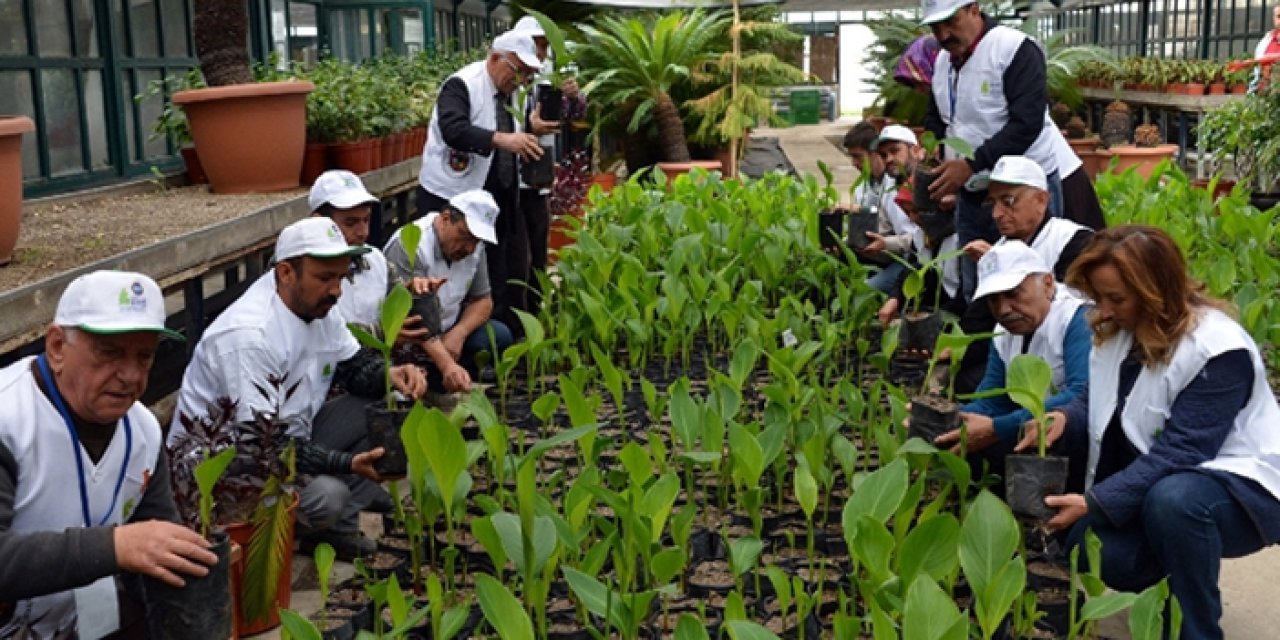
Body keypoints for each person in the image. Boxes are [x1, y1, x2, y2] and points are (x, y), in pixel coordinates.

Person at [1044, 225, 1280, 639]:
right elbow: (1105, 401)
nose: (1104, 310)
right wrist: (1064, 417)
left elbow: (1181, 452)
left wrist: (1095, 502)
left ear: (1157, 291)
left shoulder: (1218, 351)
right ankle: (1175, 578)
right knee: (1087, 544)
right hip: (1166, 486)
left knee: (1175, 502)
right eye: (1099, 297)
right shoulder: (1122, 331)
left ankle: (1198, 630)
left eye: (1116, 298)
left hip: (1247, 491)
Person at [169, 218, 428, 560]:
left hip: (292, 437)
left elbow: (355, 370)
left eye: (341, 277)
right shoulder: (250, 336)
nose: (337, 290)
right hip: (231, 471)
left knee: (381, 410)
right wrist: (347, 463)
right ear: (286, 273)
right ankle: (273, 540)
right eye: (324, 277)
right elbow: (263, 446)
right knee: (328, 496)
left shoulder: (319, 308)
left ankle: (336, 531)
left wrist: (392, 375)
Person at [0, 271, 218, 638]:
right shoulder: (9, 418)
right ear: (56, 347)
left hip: (74, 624)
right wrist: (115, 546)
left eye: (144, 356)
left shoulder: (143, 431)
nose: (130, 375)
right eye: (109, 353)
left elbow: (157, 548)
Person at [920, 0, 1066, 301]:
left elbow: (1026, 123)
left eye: (951, 21)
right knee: (978, 283)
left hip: (1022, 190)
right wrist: (934, 150)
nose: (944, 34)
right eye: (936, 27)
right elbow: (938, 117)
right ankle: (983, 346)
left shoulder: (1014, 49)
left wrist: (970, 165)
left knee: (1028, 284)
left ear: (974, 10)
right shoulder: (943, 62)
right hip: (973, 193)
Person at [933, 242, 1090, 492]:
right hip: (1029, 429)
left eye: (1014, 293)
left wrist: (998, 429)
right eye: (993, 300)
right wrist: (944, 420)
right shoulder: (1005, 331)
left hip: (1074, 440)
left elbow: (1081, 395)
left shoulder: (1076, 320)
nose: (1003, 309)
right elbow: (995, 400)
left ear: (1048, 284)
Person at [416, 30, 543, 332]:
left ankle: (490, 339)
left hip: (497, 198)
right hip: (450, 195)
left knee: (498, 274)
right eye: (518, 71)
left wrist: (530, 129)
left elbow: (513, 133)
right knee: (448, 272)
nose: (521, 80)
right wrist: (501, 140)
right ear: (496, 57)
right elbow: (454, 129)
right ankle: (440, 338)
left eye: (527, 74)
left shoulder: (515, 94)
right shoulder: (462, 85)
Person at [384, 190, 515, 395]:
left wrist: (458, 334)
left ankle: (450, 376)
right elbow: (415, 317)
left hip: (447, 331)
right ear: (445, 219)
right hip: (411, 337)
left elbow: (483, 300)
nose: (470, 248)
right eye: (464, 236)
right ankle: (439, 376)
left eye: (476, 241)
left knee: (499, 335)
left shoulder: (474, 250)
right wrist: (446, 363)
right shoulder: (411, 244)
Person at [510, 16, 583, 319]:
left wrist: (573, 96)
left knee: (539, 251)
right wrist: (530, 126)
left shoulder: (549, 77)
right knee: (517, 255)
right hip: (510, 180)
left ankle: (538, 313)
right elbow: (500, 124)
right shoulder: (508, 78)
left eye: (544, 45)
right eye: (536, 45)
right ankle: (517, 317)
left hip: (538, 177)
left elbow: (573, 119)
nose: (540, 52)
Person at [859, 125, 924, 294]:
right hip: (900, 257)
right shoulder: (888, 186)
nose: (888, 159)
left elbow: (926, 239)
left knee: (866, 290)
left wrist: (887, 243)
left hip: (923, 261)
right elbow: (883, 229)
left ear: (915, 151)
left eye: (895, 151)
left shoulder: (926, 184)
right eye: (883, 154)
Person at [1249, 4, 1280, 93]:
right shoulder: (1266, 41)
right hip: (1268, 95)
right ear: (1274, 18)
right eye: (1278, 16)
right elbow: (1257, 72)